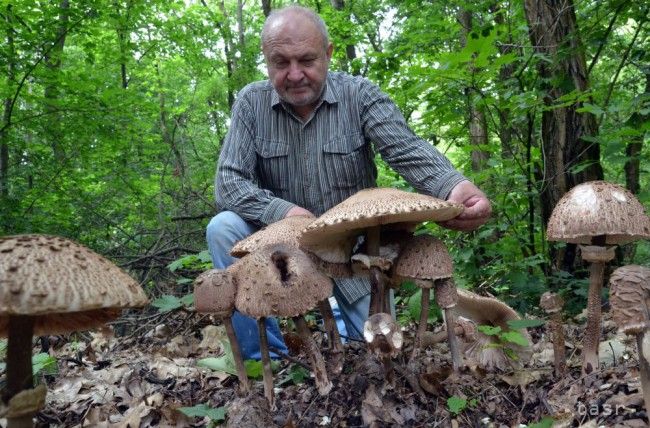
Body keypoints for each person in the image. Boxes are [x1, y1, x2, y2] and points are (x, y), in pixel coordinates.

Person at [206, 5, 491, 359]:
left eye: (307, 60)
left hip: (353, 248)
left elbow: (406, 149)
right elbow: (229, 182)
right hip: (278, 240)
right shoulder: (252, 103)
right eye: (281, 63)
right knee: (223, 227)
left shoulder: (360, 96)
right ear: (266, 60)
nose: (295, 75)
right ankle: (264, 357)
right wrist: (286, 212)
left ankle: (343, 322)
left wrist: (454, 187)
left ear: (328, 54)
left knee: (372, 349)